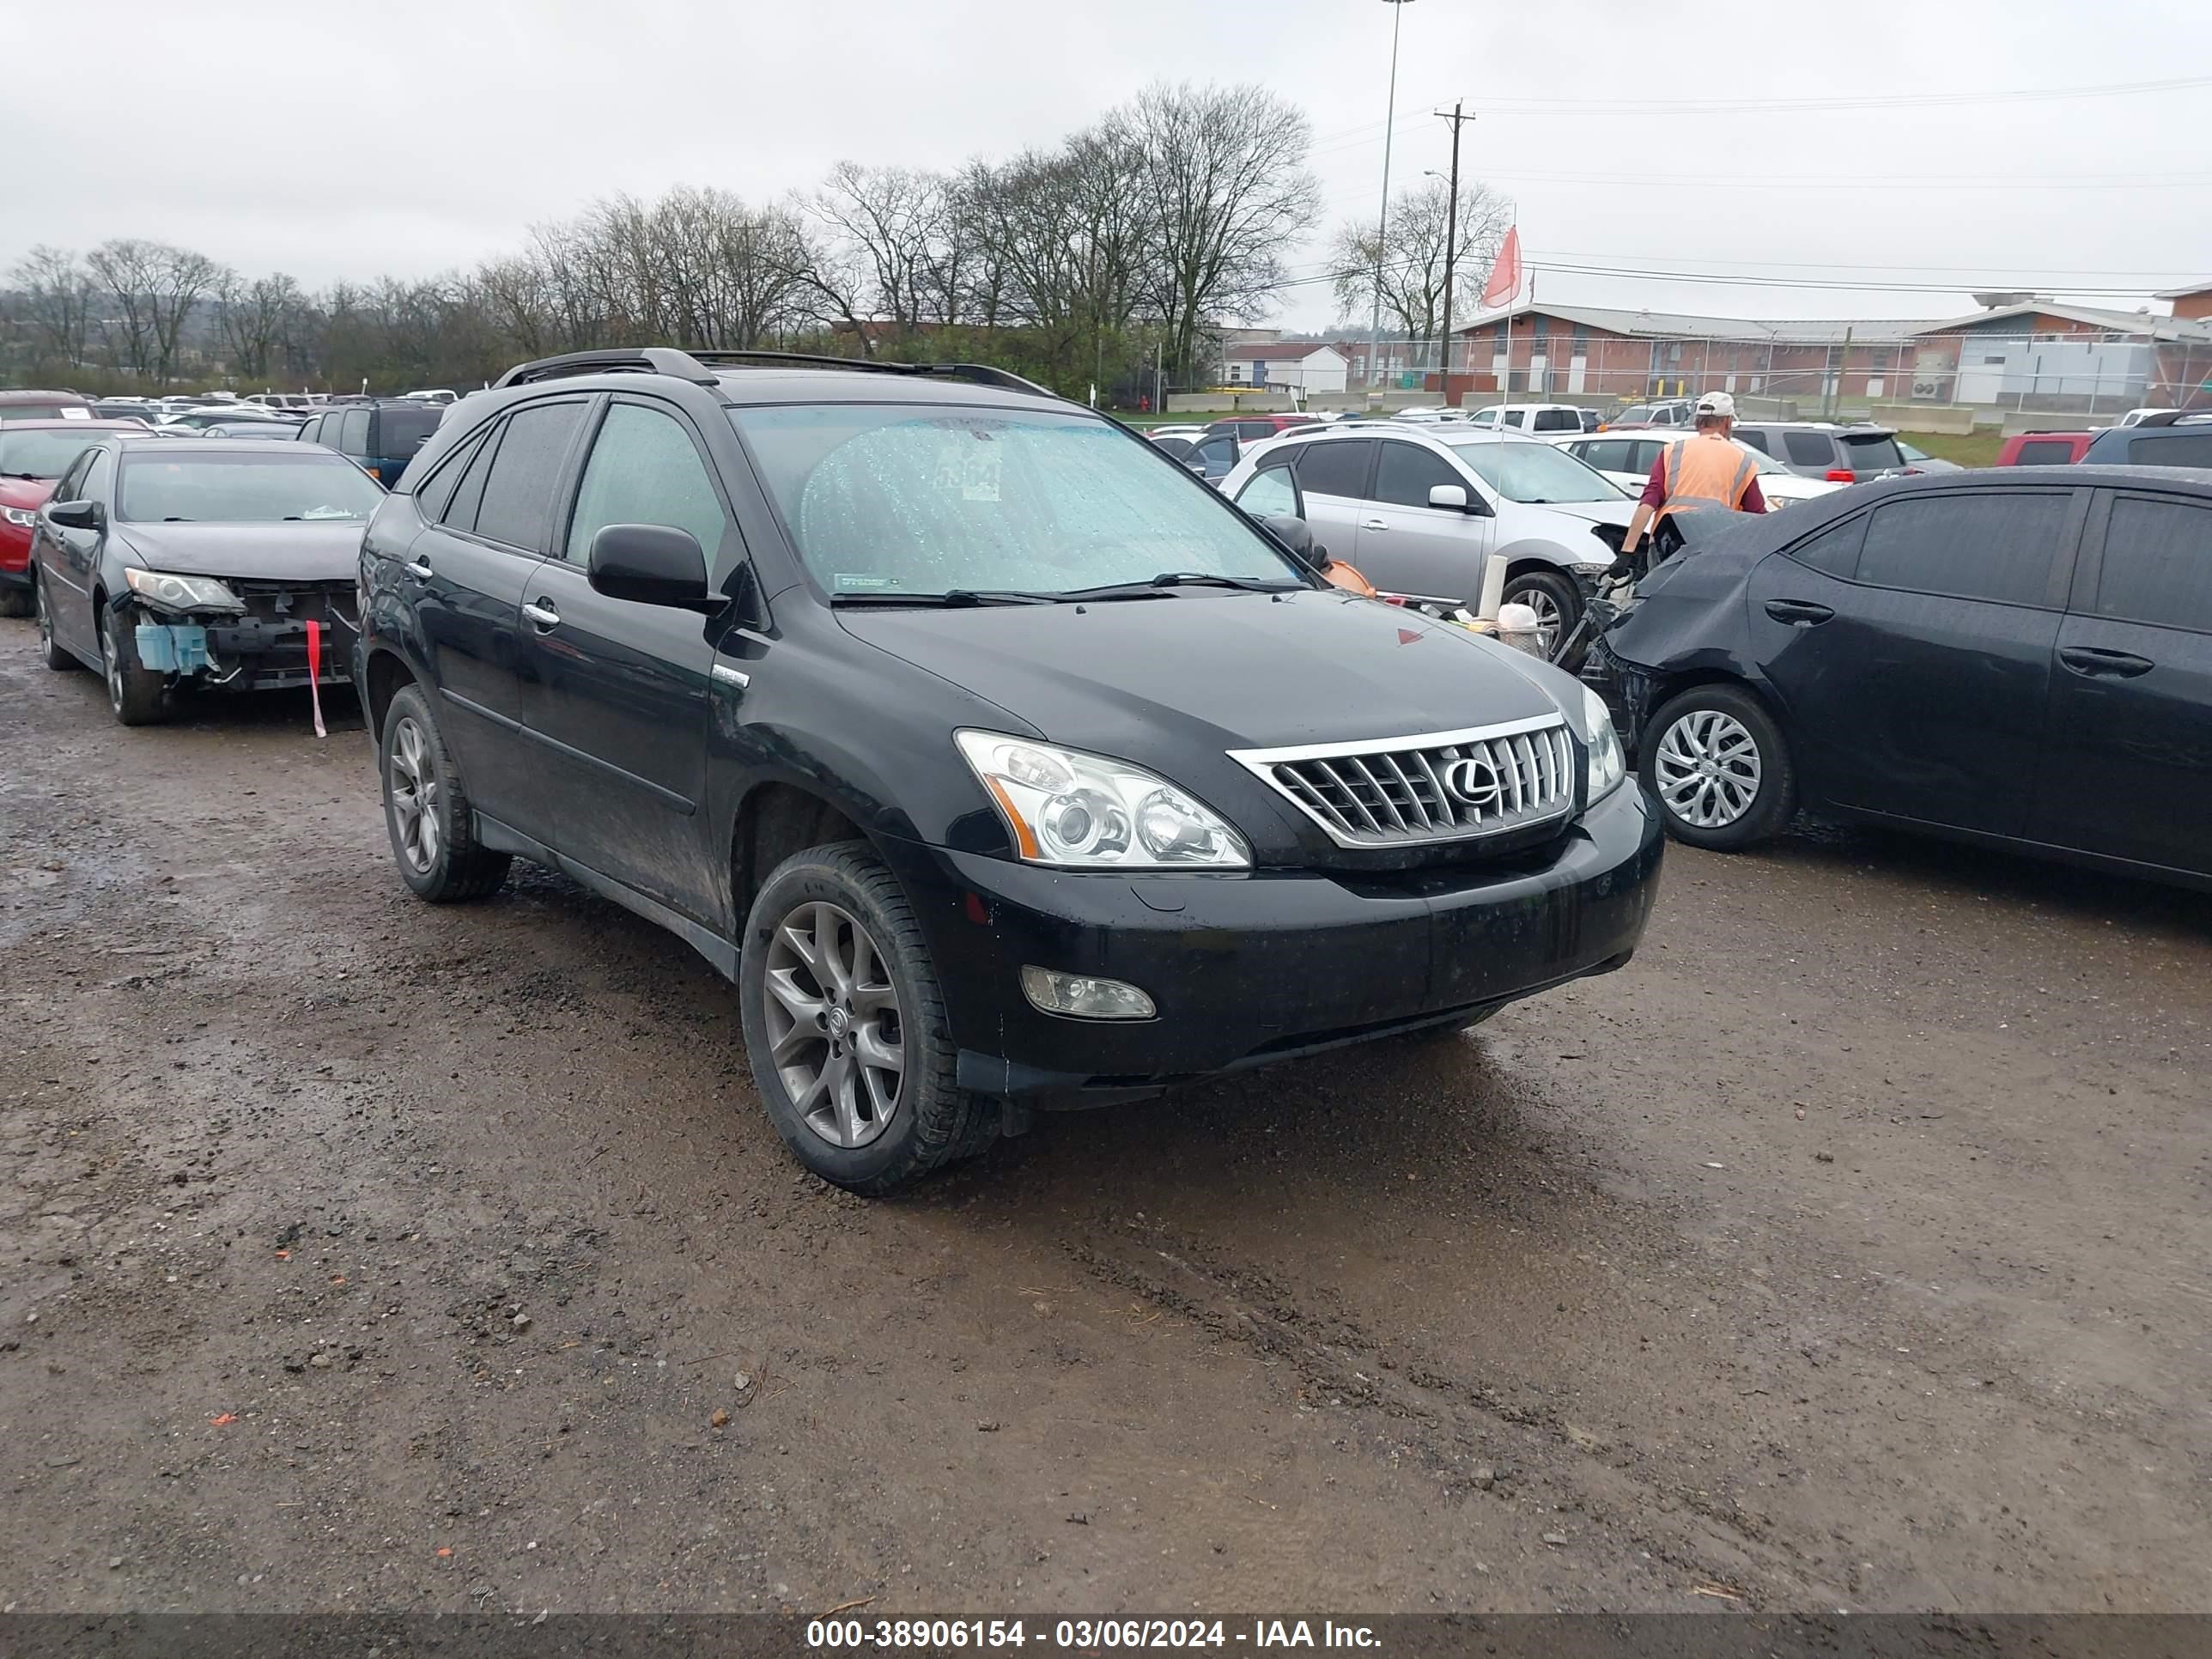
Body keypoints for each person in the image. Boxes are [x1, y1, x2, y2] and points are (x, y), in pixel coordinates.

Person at [1618, 391, 1766, 566]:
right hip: (1715, 543)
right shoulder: (1742, 460)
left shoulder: (1673, 451)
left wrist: (1626, 552)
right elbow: (1758, 516)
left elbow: (1648, 502)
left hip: (1667, 539)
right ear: (1727, 422)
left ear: (1697, 422)